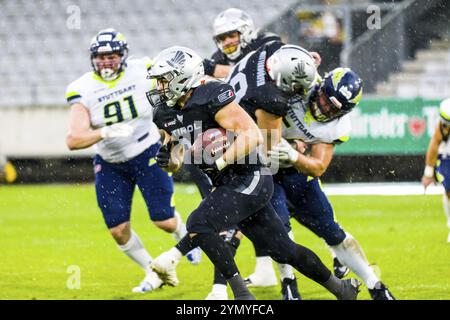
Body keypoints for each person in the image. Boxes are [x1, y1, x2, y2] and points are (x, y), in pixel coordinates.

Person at [146, 45, 361, 300]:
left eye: (163, 80)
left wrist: (220, 162)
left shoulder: (210, 94)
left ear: (182, 77)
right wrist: (167, 159)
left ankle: (242, 297)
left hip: (250, 176)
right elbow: (176, 158)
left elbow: (252, 135)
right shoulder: (165, 112)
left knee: (198, 223)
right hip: (226, 180)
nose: (159, 87)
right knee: (284, 250)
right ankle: (342, 289)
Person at [236, 44, 393, 300]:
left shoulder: (336, 127)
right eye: (324, 100)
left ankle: (376, 285)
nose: (325, 109)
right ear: (320, 86)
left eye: (335, 109)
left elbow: (319, 167)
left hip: (295, 171)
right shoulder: (302, 85)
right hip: (264, 167)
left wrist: (294, 155)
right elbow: (283, 66)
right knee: (280, 230)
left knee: (332, 231)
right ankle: (289, 283)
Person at [64, 29, 200, 294]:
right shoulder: (82, 88)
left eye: (112, 55)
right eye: (101, 57)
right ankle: (154, 271)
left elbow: (173, 85)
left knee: (164, 221)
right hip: (111, 162)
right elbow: (73, 139)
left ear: (123, 55)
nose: (106, 62)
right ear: (93, 59)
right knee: (117, 229)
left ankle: (182, 234)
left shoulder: (143, 70)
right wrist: (104, 132)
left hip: (147, 151)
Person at [422, 97, 450, 243]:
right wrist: (428, 173)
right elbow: (434, 144)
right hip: (448, 157)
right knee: (449, 191)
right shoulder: (443, 126)